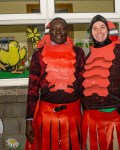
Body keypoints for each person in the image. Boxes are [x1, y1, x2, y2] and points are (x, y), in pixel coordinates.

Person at [25, 17, 85, 150]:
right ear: (49, 32)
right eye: (54, 28)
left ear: (67, 31)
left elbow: (83, 86)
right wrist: (29, 120)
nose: (58, 32)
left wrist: (87, 115)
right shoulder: (38, 55)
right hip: (46, 117)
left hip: (73, 117)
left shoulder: (78, 53)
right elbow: (32, 89)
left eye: (62, 28)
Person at [81, 15, 120, 150]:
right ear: (91, 33)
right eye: (95, 28)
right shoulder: (88, 55)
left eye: (102, 27)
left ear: (108, 30)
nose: (99, 31)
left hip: (114, 121)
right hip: (90, 121)